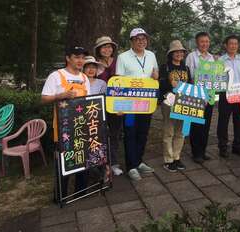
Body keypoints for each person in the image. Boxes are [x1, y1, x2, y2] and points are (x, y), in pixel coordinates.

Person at [41, 46, 91, 198]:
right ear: (68, 58)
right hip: (64, 127)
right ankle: (60, 195)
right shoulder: (56, 75)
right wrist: (61, 95)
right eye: (76, 57)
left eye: (82, 57)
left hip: (81, 124)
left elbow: (89, 100)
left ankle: (81, 192)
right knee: (64, 159)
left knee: (82, 158)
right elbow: (44, 98)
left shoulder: (84, 78)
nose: (80, 60)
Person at [116, 28, 159, 181]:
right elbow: (118, 82)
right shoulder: (123, 57)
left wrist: (156, 76)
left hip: (146, 102)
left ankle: (139, 161)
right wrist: (119, 106)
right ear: (131, 41)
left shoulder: (151, 55)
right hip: (129, 105)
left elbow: (155, 74)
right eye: (137, 39)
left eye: (143, 39)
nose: (141, 41)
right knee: (130, 133)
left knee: (143, 132)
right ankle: (131, 167)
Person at [159, 40, 191, 172]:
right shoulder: (165, 67)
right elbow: (160, 86)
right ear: (171, 54)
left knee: (181, 132)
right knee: (169, 131)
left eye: (181, 52)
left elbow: (190, 85)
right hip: (169, 102)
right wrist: (169, 85)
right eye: (176, 52)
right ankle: (168, 159)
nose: (179, 54)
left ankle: (177, 157)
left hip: (183, 102)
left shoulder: (186, 68)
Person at [94, 36, 123, 176]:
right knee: (100, 134)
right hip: (99, 104)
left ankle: (114, 163)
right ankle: (101, 164)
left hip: (116, 104)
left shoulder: (118, 62)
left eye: (109, 47)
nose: (107, 49)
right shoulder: (94, 65)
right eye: (104, 47)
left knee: (115, 134)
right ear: (99, 50)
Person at [185, 32, 215, 164]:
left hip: (209, 95)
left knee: (206, 124)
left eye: (207, 41)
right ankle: (196, 152)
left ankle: (203, 151)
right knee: (196, 124)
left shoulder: (211, 58)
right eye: (202, 41)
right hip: (196, 94)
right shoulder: (191, 57)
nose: (205, 44)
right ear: (197, 43)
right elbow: (188, 76)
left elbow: (214, 76)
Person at [217, 35, 240, 158]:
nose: (233, 46)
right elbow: (216, 78)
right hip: (226, 94)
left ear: (238, 45)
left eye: (235, 43)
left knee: (239, 121)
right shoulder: (220, 61)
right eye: (231, 43)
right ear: (226, 45)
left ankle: (237, 146)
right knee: (223, 122)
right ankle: (223, 147)